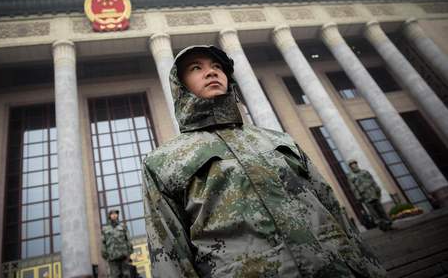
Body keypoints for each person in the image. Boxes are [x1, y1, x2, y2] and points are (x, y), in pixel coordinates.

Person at [142, 45, 386, 277]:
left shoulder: (278, 140)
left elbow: (332, 209)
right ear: (180, 84)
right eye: (196, 68)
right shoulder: (163, 161)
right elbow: (169, 252)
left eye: (217, 66)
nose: (211, 71)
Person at [347, 159, 393, 231]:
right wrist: (358, 197)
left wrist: (377, 189)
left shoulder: (365, 172)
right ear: (350, 167)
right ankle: (382, 226)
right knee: (374, 213)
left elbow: (372, 181)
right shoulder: (351, 176)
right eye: (352, 164)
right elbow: (353, 188)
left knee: (381, 210)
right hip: (365, 197)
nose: (354, 165)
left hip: (373, 194)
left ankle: (388, 223)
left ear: (356, 164)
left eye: (354, 163)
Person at [101, 209, 134, 278]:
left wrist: (129, 252)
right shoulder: (105, 229)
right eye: (112, 214)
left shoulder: (123, 227)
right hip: (112, 257)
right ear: (109, 216)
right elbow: (103, 243)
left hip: (123, 255)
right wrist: (105, 255)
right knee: (115, 276)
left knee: (126, 275)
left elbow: (128, 239)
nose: (114, 215)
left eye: (116, 214)